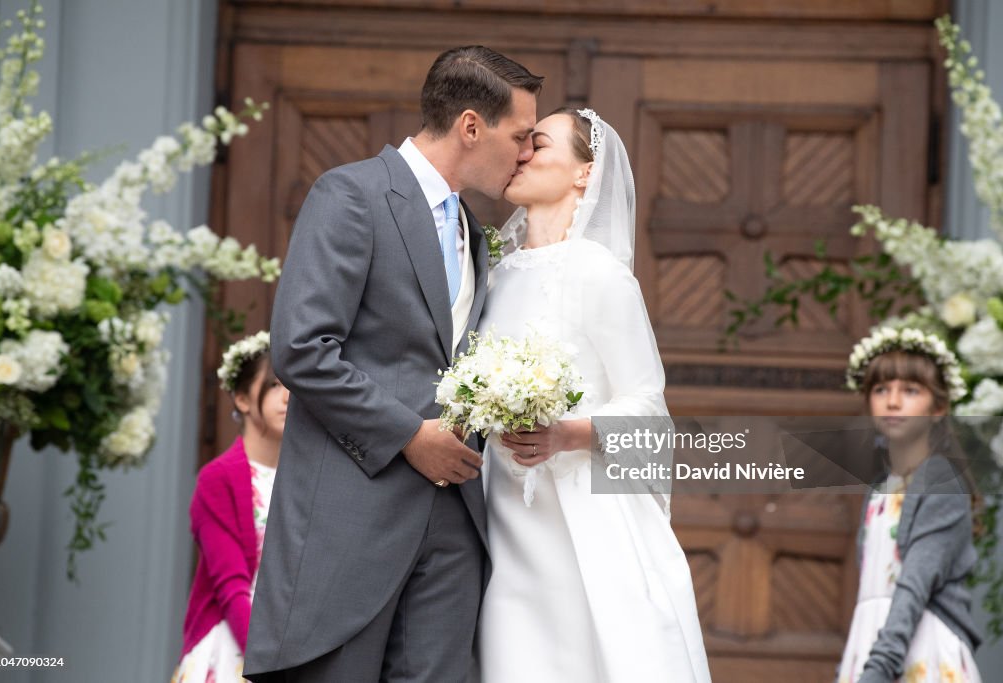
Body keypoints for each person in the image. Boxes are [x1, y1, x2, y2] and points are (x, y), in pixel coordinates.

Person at [243, 47, 542, 682]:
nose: (526, 153)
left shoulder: (472, 226)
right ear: (470, 126)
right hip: (355, 518)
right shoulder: (352, 195)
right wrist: (409, 435)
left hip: (456, 524)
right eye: (519, 136)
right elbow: (301, 348)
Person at [475, 107, 711, 682]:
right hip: (499, 513)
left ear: (586, 171)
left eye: (539, 143)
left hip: (581, 516)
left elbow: (649, 410)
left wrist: (565, 433)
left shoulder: (598, 273)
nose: (522, 153)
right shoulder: (494, 275)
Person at [837, 328, 982, 683]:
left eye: (911, 390)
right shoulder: (881, 488)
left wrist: (881, 667)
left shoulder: (940, 482)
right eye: (881, 389)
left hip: (921, 648)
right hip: (874, 644)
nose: (893, 401)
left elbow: (915, 585)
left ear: (939, 408)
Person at [173, 331, 288, 683]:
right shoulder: (218, 479)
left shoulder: (309, 479)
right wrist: (267, 663)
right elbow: (232, 586)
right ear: (240, 398)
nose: (288, 397)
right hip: (235, 649)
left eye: (296, 384)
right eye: (273, 385)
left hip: (296, 646)